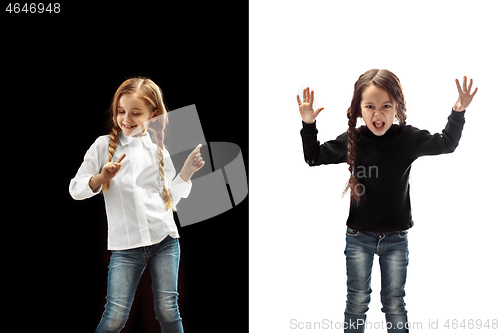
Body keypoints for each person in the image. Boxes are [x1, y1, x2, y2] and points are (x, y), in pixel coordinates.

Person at [297, 69, 477, 333]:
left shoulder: (407, 138)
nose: (377, 114)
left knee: (394, 303)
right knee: (357, 302)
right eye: (370, 106)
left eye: (386, 106)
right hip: (358, 238)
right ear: (359, 109)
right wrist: (308, 125)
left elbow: (447, 143)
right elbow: (313, 157)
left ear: (397, 109)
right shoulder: (354, 140)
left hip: (396, 239)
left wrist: (458, 111)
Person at [69, 77, 205, 333]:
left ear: (153, 114)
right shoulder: (102, 146)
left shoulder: (159, 152)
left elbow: (169, 201)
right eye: (121, 111)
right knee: (115, 317)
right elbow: (75, 190)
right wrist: (101, 178)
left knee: (168, 309)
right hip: (125, 248)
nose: (126, 119)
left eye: (136, 113)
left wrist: (186, 172)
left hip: (165, 240)